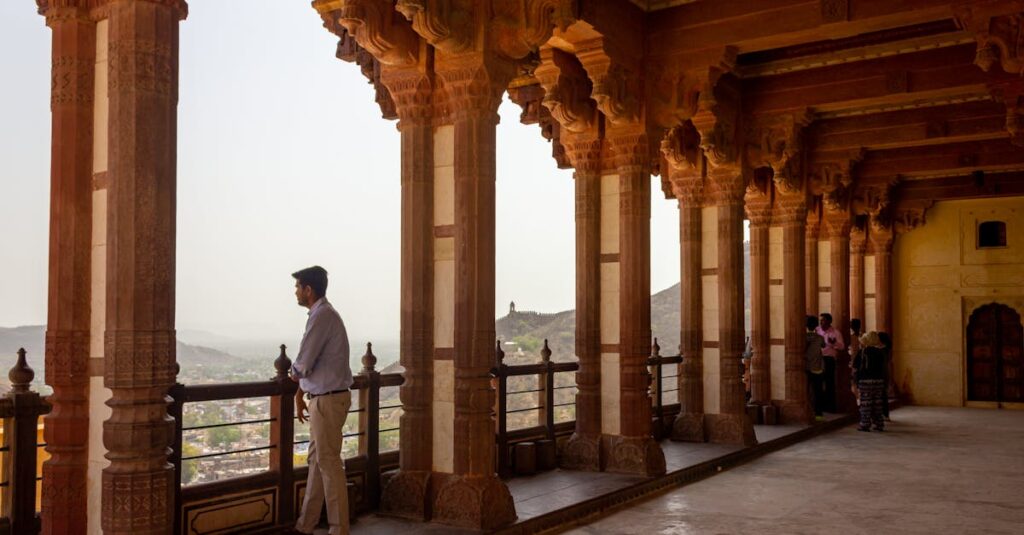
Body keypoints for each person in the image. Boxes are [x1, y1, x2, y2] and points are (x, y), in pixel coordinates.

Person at [289, 266, 353, 535]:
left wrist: (295, 378)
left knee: (328, 464)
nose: (295, 292)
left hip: (327, 401)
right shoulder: (324, 314)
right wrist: (301, 392)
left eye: (297, 287)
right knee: (317, 461)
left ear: (308, 290)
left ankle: (339, 530)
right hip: (325, 398)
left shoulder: (321, 316)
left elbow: (303, 363)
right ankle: (306, 524)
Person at [853, 331, 887, 432]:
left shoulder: (863, 352)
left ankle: (865, 424)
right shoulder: (880, 352)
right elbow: (883, 367)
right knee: (877, 404)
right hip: (878, 381)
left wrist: (855, 380)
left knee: (866, 404)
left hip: (865, 381)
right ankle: (879, 424)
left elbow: (855, 367)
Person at [816, 312, 845, 413]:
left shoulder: (835, 332)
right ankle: (820, 406)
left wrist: (834, 343)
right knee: (818, 383)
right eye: (820, 320)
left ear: (829, 321)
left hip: (828, 360)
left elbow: (842, 346)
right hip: (818, 359)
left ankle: (830, 407)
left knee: (829, 383)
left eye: (823, 320)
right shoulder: (817, 330)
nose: (821, 322)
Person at [805, 315, 825, 420]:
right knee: (818, 391)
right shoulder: (820, 338)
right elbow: (824, 346)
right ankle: (818, 414)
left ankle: (808, 410)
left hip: (806, 368)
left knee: (806, 391)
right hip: (817, 367)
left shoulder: (803, 337)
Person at [877, 331, 893, 421]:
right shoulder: (885, 349)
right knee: (883, 394)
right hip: (884, 372)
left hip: (881, 373)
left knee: (882, 395)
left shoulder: (883, 350)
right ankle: (884, 414)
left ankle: (885, 414)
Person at [848, 319, 863, 403]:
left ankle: (857, 396)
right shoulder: (860, 337)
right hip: (855, 361)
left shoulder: (857, 337)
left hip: (856, 361)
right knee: (855, 379)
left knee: (855, 380)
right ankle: (857, 396)